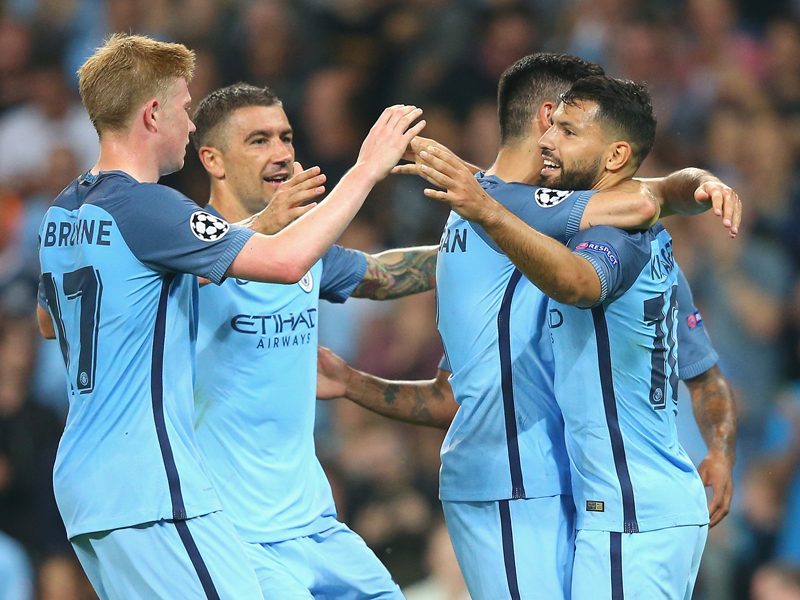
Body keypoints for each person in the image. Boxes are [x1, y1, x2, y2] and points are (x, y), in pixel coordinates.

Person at [318, 53, 737, 600]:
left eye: (574, 129)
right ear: (546, 120)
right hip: (521, 485)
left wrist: (699, 181)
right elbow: (452, 391)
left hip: (601, 498)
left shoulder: (535, 225)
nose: (560, 138)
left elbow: (640, 205)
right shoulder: (499, 225)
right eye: (563, 123)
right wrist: (348, 378)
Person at [35, 34, 424, 599]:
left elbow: (50, 322)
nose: (190, 124)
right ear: (153, 114)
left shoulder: (64, 211)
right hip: (151, 483)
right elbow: (287, 262)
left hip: (85, 486)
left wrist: (254, 226)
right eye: (184, 107)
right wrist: (366, 169)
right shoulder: (147, 205)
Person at [419, 74, 718, 598]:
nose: (548, 141)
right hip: (641, 505)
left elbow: (579, 284)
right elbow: (704, 370)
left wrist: (484, 206)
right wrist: (723, 451)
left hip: (630, 513)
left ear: (615, 154)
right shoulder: (651, 241)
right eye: (553, 125)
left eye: (568, 131)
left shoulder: (612, 236)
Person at [190, 82, 438, 599]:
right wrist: (364, 170)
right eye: (259, 140)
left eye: (285, 137)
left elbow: (383, 275)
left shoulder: (302, 247)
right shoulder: (183, 249)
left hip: (317, 525)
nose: (281, 153)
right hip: (234, 536)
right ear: (213, 159)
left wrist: (495, 238)